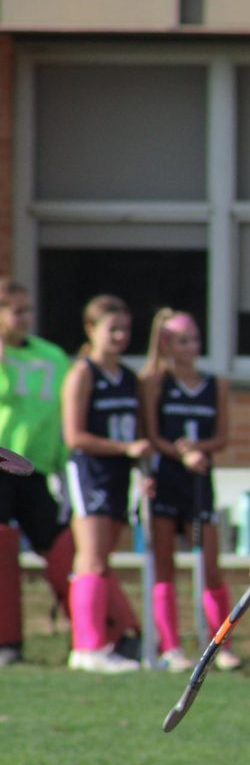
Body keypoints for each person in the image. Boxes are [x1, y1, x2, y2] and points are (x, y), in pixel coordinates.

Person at [140, 308, 239, 672]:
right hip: (168, 480)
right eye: (183, 340)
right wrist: (180, 452)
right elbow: (153, 434)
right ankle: (171, 646)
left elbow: (222, 437)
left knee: (210, 566)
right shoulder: (155, 382)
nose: (192, 346)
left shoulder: (216, 384)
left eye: (195, 338)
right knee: (165, 565)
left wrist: (198, 452)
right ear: (167, 344)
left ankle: (220, 645)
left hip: (201, 481)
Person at [62, 294, 152, 673]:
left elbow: (139, 432)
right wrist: (124, 447)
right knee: (92, 559)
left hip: (119, 474)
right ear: (91, 330)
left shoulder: (129, 378)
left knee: (104, 560)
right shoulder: (83, 372)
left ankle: (106, 640)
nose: (119, 336)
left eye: (125, 329)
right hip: (90, 471)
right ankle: (89, 647)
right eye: (111, 329)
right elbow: (74, 435)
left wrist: (140, 465)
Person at [0, 279, 76, 665]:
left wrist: (64, 462)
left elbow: (61, 412)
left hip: (36, 469)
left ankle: (95, 634)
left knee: (58, 543)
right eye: (17, 310)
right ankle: (7, 644)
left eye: (28, 309)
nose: (25, 317)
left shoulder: (52, 356)